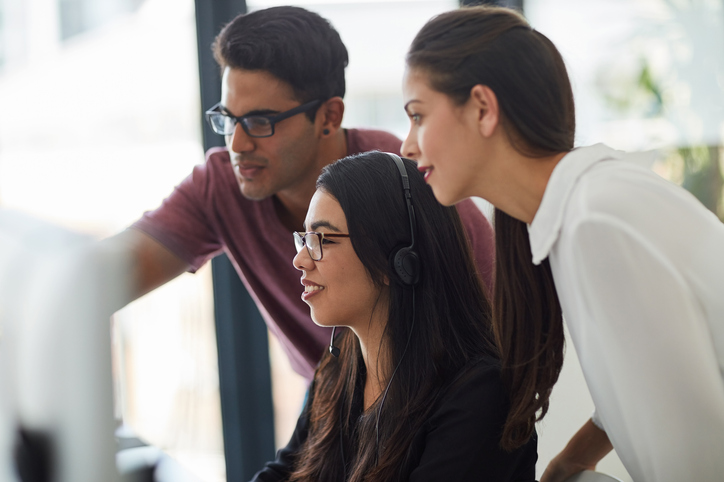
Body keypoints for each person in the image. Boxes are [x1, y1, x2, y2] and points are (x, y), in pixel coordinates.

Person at [400, 5, 724, 482]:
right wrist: (571, 462)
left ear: (484, 109)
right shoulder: (578, 212)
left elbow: (697, 461)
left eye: (418, 116)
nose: (407, 145)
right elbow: (644, 384)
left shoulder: (596, 222)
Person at [105, 6, 494, 381]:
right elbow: (107, 275)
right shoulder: (222, 184)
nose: (237, 144)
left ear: (329, 117)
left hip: (435, 410)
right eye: (228, 119)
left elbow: (499, 313)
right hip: (330, 416)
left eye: (260, 121)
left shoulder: (405, 179)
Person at [251, 151, 537, 482]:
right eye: (304, 238)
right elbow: (285, 471)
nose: (300, 260)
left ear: (397, 260)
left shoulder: (481, 395)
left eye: (323, 239)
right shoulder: (338, 368)